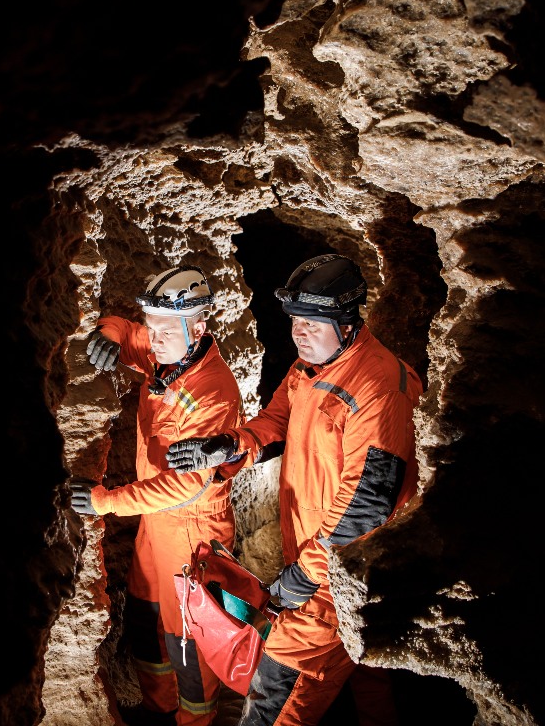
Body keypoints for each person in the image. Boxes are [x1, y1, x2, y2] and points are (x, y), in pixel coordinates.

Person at [165, 254, 422, 726]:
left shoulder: (379, 387)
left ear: (346, 324)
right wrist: (228, 446)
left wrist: (307, 574)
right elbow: (277, 422)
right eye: (296, 322)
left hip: (344, 570)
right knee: (365, 667)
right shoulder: (310, 367)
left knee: (277, 692)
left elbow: (368, 502)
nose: (299, 333)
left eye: (312, 323)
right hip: (312, 550)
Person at [70, 265, 245, 726]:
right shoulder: (168, 352)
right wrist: (108, 335)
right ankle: (157, 710)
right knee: (147, 628)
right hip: (155, 525)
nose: (154, 336)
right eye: (153, 326)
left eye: (164, 329)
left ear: (199, 327)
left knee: (186, 642)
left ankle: (195, 720)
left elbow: (189, 485)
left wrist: (108, 501)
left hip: (193, 532)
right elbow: (124, 330)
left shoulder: (213, 391)